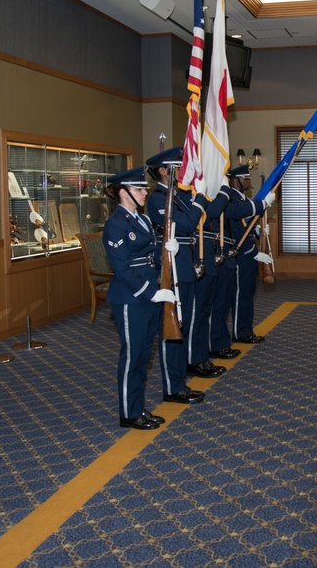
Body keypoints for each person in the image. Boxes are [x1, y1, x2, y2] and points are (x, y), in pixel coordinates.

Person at [102, 167, 172, 430]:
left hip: (148, 296)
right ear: (123, 192)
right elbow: (121, 269)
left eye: (144, 188)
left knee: (143, 357)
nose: (145, 192)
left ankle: (137, 406)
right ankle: (128, 414)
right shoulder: (116, 223)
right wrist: (151, 292)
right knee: (132, 357)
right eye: (139, 188)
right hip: (132, 299)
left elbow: (150, 256)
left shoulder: (140, 219)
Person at [146, 148, 214, 404]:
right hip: (171, 269)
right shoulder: (157, 199)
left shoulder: (177, 198)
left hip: (185, 266)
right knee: (171, 328)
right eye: (179, 166)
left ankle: (178, 380)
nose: (184, 171)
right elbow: (185, 224)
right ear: (164, 170)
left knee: (182, 327)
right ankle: (172, 387)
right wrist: (199, 201)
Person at [214, 165, 274, 348]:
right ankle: (241, 332)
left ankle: (246, 329)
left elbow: (244, 225)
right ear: (234, 180)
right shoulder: (229, 198)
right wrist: (261, 204)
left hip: (248, 253)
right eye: (244, 177)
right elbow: (236, 214)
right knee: (240, 295)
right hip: (238, 254)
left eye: (248, 177)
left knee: (248, 293)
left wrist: (257, 232)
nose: (248, 180)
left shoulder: (243, 199)